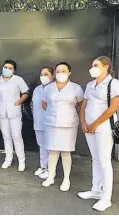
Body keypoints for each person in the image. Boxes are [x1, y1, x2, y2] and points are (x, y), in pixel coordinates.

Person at [78, 56, 119, 212]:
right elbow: (84, 105)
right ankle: (95, 190)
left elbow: (113, 108)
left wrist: (95, 124)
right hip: (89, 127)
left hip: (103, 128)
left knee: (104, 162)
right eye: (92, 65)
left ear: (106, 66)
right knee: (95, 159)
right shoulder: (90, 84)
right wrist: (84, 123)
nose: (92, 68)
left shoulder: (113, 84)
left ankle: (106, 198)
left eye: (96, 65)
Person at [41, 62, 84, 192]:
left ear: (69, 73)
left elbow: (81, 105)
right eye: (58, 71)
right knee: (52, 151)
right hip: (51, 123)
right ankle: (51, 176)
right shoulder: (48, 88)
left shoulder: (76, 88)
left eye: (63, 71)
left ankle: (66, 179)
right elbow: (44, 103)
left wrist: (67, 114)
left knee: (66, 152)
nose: (60, 74)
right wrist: (54, 113)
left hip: (69, 125)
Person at [0, 59, 29, 172]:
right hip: (2, 111)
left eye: (10, 68)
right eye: (5, 67)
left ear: (14, 70)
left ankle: (21, 160)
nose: (7, 69)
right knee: (6, 136)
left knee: (17, 136)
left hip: (14, 111)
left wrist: (18, 102)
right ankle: (8, 159)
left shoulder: (18, 80)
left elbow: (26, 93)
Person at [32, 67, 54, 178]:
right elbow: (33, 105)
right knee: (42, 145)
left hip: (51, 123)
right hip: (38, 121)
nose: (43, 77)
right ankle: (43, 166)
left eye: (46, 74)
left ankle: (51, 169)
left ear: (52, 76)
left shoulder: (54, 89)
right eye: (42, 74)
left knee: (50, 146)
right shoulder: (37, 89)